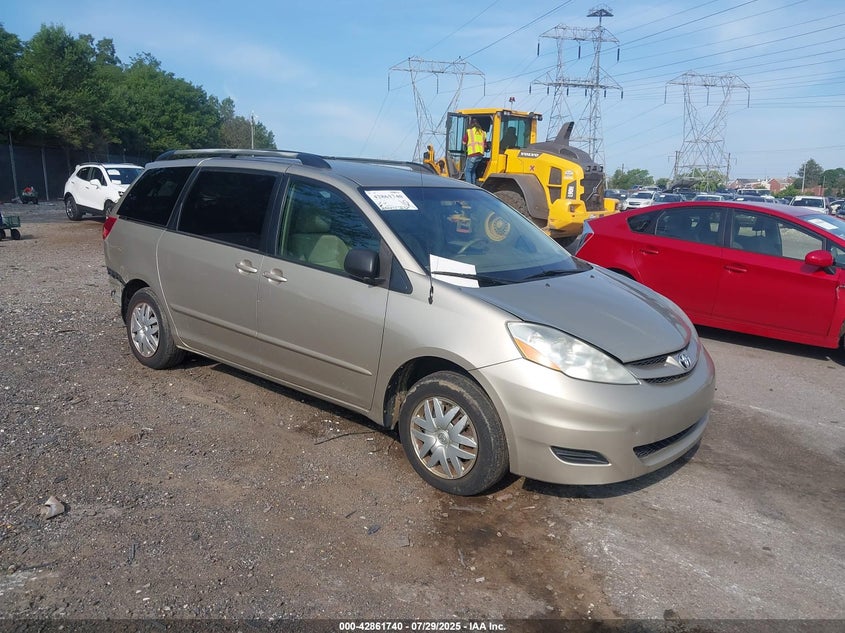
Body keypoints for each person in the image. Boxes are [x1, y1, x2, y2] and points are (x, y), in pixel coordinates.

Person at [462, 119, 485, 185]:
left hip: (472, 154)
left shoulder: (469, 131)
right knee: (472, 171)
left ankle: (469, 186)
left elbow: (464, 142)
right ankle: (473, 185)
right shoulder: (483, 133)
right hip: (480, 155)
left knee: (467, 171)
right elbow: (485, 144)